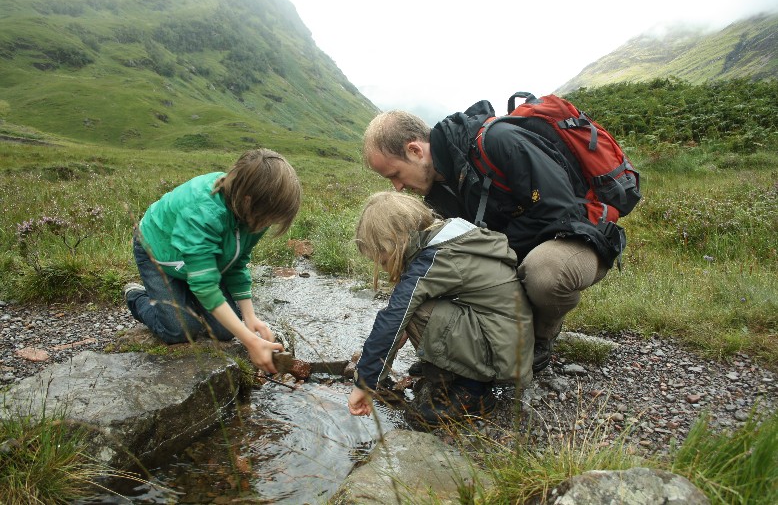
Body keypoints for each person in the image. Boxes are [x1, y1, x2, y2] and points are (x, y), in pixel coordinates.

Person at [362, 102, 624, 373]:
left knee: (544, 274)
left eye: (395, 175)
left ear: (414, 150)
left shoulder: (499, 142)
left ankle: (542, 337)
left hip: (578, 237)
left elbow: (562, 211)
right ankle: (473, 356)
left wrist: (492, 249)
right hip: (513, 253)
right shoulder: (438, 190)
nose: (398, 187)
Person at [347, 191, 534, 426]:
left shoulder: (432, 259)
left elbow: (393, 318)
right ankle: (455, 375)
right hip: (508, 341)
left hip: (504, 356)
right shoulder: (450, 238)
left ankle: (473, 392)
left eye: (381, 256)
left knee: (412, 312)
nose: (382, 265)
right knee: (411, 312)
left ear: (395, 242)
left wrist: (363, 383)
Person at [123, 148, 301, 374]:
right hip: (159, 253)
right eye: (268, 219)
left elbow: (238, 262)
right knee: (180, 331)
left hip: (198, 264)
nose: (267, 225)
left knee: (225, 331)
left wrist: (249, 316)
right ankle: (137, 297)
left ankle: (187, 290)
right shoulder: (203, 212)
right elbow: (205, 286)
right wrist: (251, 341)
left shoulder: (254, 213)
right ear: (247, 201)